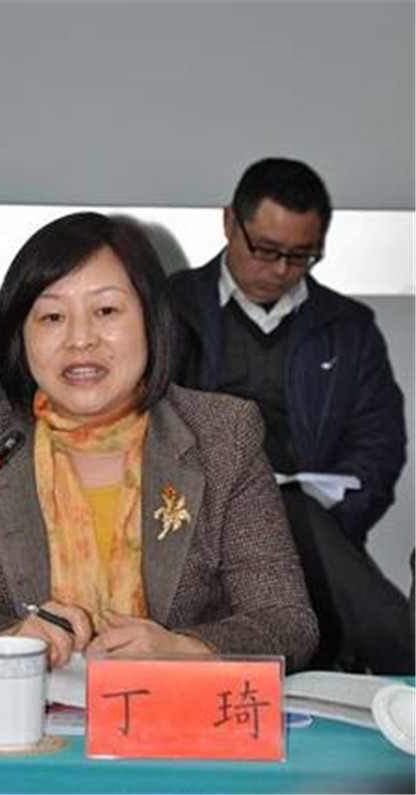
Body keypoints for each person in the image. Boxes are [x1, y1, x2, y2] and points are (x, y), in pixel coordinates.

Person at [0, 211, 318, 676]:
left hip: (174, 711)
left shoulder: (223, 436)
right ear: (20, 337)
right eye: (52, 317)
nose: (80, 340)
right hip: (26, 710)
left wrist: (185, 649)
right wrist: (8, 640)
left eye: (107, 311)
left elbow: (286, 621)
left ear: (151, 321)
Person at [169, 158, 411, 673]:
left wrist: (323, 522)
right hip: (198, 518)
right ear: (229, 223)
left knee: (290, 510)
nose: (281, 269)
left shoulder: (348, 327)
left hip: (318, 522)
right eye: (266, 250)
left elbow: (379, 446)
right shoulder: (170, 308)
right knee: (273, 504)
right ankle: (402, 656)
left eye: (302, 256)